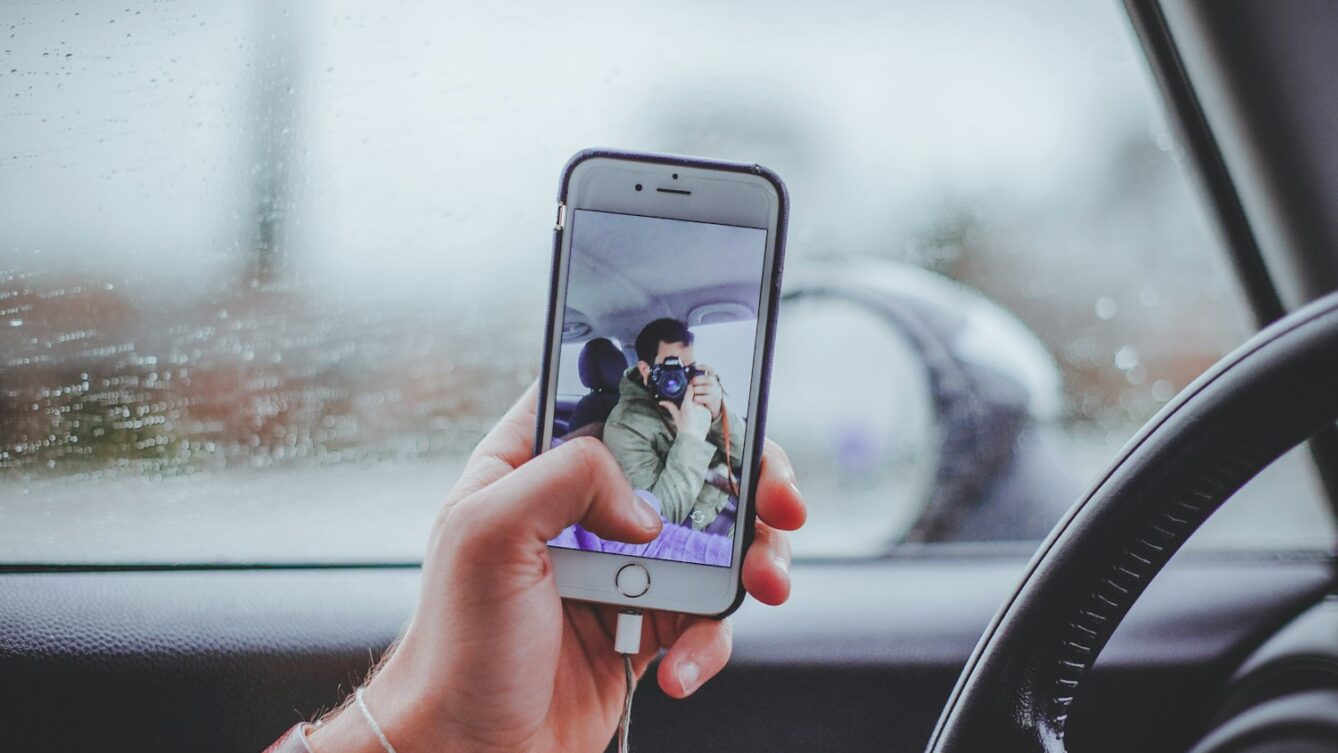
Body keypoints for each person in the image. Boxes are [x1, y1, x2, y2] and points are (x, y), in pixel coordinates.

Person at [265, 383, 806, 753]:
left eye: (688, 372)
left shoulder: (702, 435)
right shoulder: (615, 429)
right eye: (665, 368)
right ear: (640, 371)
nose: (675, 380)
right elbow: (653, 512)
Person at [603, 318, 743, 534]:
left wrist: (718, 413)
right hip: (702, 528)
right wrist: (691, 439)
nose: (677, 380)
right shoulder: (623, 428)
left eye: (687, 369)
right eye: (670, 367)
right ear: (646, 370)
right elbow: (657, 521)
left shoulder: (698, 394)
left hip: (728, 501)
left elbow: (747, 457)